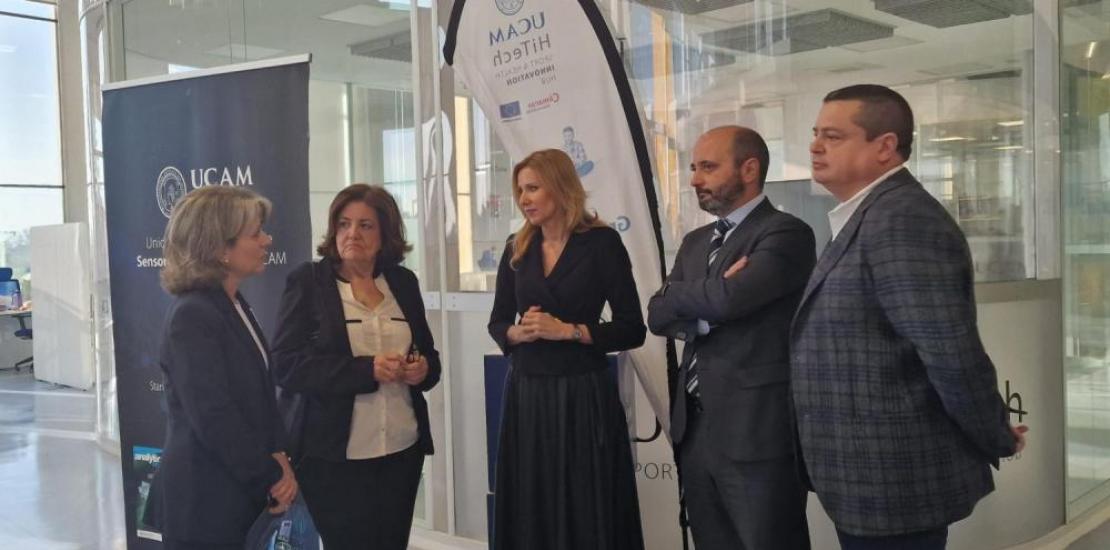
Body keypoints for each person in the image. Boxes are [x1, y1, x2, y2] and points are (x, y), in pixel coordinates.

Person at [792, 84, 1029, 549]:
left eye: (834, 136)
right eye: (816, 133)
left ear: (885, 147)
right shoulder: (868, 217)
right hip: (865, 477)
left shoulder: (901, 219)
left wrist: (996, 434)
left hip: (894, 481)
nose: (815, 146)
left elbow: (950, 353)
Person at [647, 126, 815, 550]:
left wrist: (685, 295)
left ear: (749, 169)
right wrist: (703, 304)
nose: (694, 180)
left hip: (756, 431)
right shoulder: (695, 242)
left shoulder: (785, 233)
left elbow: (729, 299)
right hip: (696, 431)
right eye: (693, 168)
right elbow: (656, 314)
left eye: (707, 167)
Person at [488, 149, 646, 550]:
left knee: (585, 500)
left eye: (534, 188)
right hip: (529, 394)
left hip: (583, 396)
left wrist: (569, 331)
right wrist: (515, 335)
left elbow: (632, 329)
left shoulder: (602, 243)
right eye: (520, 189)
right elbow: (498, 321)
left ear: (561, 188)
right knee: (531, 501)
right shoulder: (516, 248)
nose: (524, 198)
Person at [272, 184, 440, 550]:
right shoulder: (309, 282)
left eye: (365, 226)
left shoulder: (403, 282)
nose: (352, 234)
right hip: (334, 455)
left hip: (401, 447)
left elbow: (430, 357)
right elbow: (285, 365)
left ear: (385, 234)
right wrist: (367, 371)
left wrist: (421, 369)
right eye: (344, 224)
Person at [150, 186, 297, 550]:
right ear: (219, 248)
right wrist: (271, 477)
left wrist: (280, 455)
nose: (267, 239)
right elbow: (213, 416)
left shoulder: (231, 302)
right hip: (205, 499)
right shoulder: (193, 314)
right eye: (255, 233)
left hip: (235, 488)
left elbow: (260, 394)